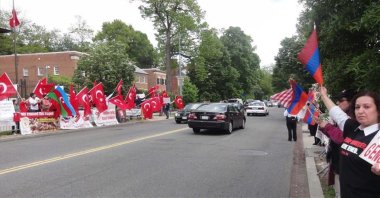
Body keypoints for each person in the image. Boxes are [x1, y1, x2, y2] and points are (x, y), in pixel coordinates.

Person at [319, 86, 380, 198]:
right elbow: (337, 114)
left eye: (367, 107)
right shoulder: (353, 127)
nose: (360, 111)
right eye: (357, 107)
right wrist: (323, 95)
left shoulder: (377, 136)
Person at [316, 89, 356, 198]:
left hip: (347, 168)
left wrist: (327, 127)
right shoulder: (344, 117)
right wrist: (324, 127)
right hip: (338, 162)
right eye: (359, 107)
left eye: (341, 100)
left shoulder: (353, 120)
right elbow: (336, 136)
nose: (338, 103)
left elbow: (344, 138)